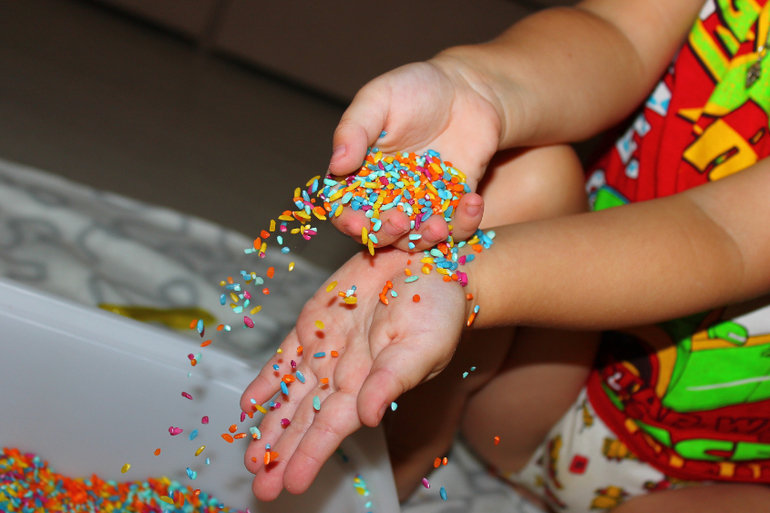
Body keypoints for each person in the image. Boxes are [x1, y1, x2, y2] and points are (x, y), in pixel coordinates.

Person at [241, 0, 770, 510]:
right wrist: (476, 87)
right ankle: (414, 440)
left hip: (717, 471)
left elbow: (726, 236)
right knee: (522, 174)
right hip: (565, 373)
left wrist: (474, 280)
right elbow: (620, 36)